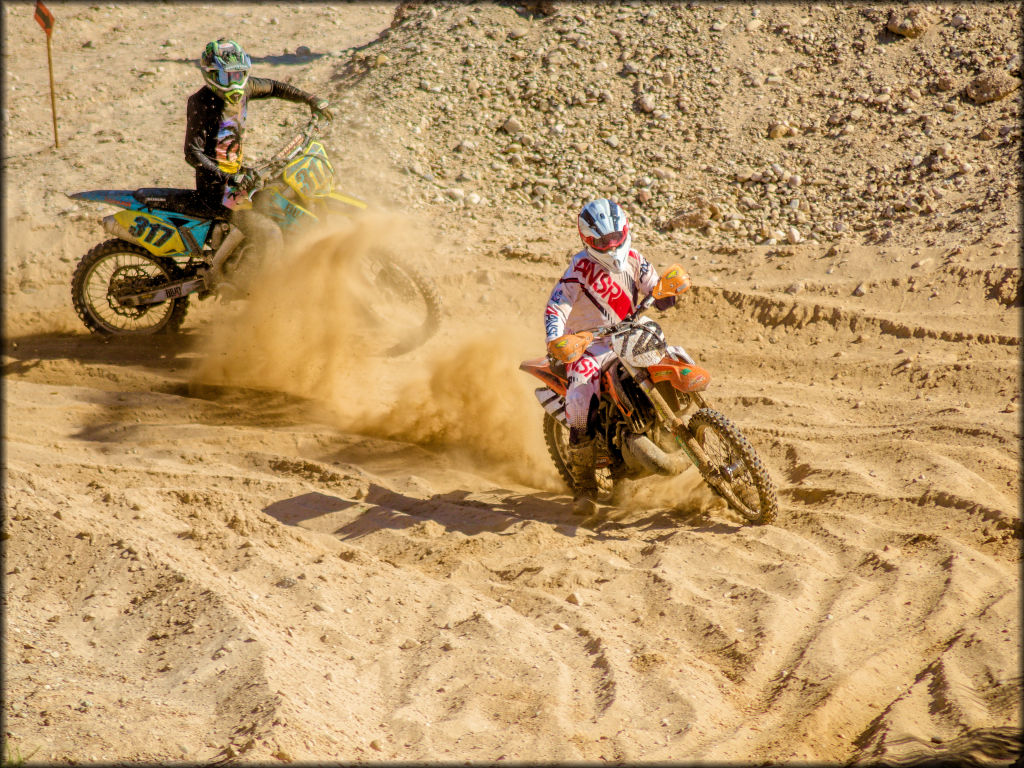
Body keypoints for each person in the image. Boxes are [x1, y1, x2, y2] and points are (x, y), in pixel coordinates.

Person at [544, 198, 691, 510]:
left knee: (672, 355)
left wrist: (668, 292)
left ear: (625, 230)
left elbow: (655, 289)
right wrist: (556, 339)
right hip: (589, 345)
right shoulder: (578, 269)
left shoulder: (635, 258)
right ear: (587, 240)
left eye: (615, 238)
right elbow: (556, 306)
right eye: (601, 241)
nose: (610, 246)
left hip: (630, 331)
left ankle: (684, 415)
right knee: (581, 398)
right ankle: (584, 487)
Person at [183, 38, 333, 289]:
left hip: (240, 178)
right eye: (227, 76)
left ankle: (250, 262)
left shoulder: (246, 89)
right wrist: (228, 177)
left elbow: (274, 87)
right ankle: (255, 291)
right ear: (211, 75)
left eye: (239, 74)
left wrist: (311, 99)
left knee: (281, 203)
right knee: (270, 233)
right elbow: (192, 152)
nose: (235, 82)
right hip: (217, 188)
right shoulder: (201, 102)